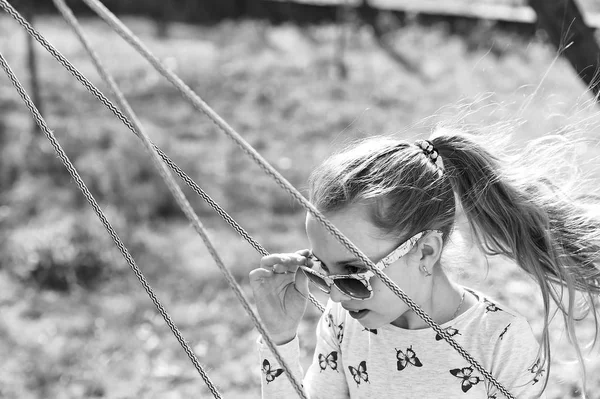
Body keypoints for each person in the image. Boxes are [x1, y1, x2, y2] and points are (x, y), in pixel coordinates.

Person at [249, 128, 600, 398]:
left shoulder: (499, 339)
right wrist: (280, 336)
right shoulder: (343, 324)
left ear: (425, 253)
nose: (337, 296)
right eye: (322, 272)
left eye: (354, 273)